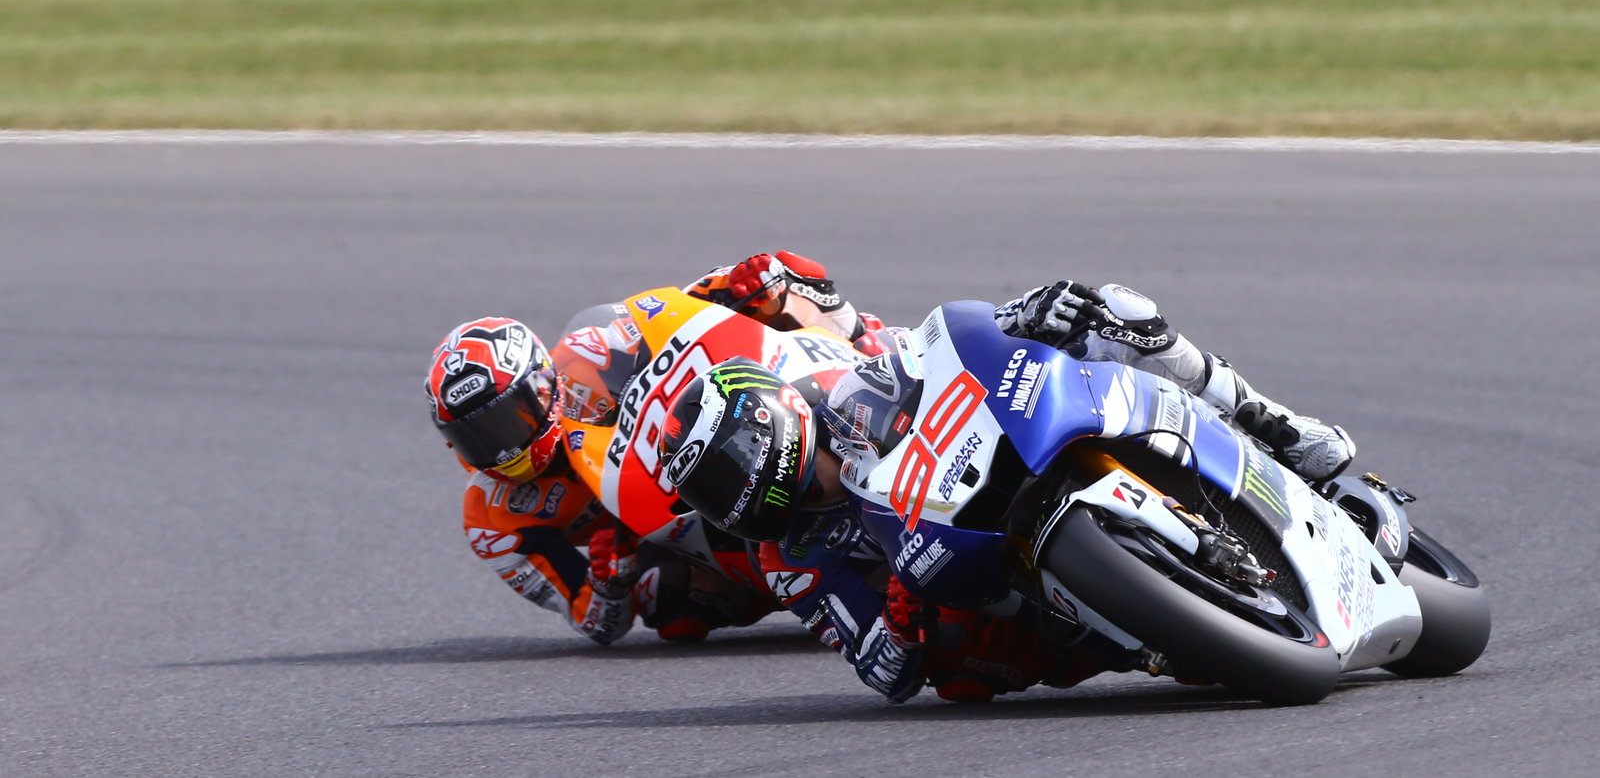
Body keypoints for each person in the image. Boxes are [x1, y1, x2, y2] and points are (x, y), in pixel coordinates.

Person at [656, 280, 1356, 701]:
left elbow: (937, 345)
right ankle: (1160, 637)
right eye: (713, 496)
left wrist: (1026, 314)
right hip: (974, 569)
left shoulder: (842, 382)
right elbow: (883, 671)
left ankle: (1280, 427)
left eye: (725, 472)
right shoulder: (792, 558)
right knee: (960, 672)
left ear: (761, 421)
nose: (732, 501)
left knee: (1114, 308)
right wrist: (899, 615)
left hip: (1001, 442)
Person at [422, 252, 883, 646]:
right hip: (650, 534)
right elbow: (596, 624)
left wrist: (739, 283)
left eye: (510, 418)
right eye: (478, 436)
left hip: (675, 438)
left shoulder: (588, 349)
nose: (503, 447)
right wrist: (608, 583)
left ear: (544, 385)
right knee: (670, 604)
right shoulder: (492, 519)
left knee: (787, 278)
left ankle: (866, 344)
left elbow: (676, 310)